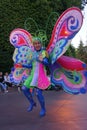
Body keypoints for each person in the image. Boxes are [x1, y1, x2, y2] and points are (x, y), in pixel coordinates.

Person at [21, 38, 50, 117]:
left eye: (38, 43)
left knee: (38, 93)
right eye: (35, 44)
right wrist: (23, 65)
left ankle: (43, 109)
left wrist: (42, 60)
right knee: (24, 88)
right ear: (33, 45)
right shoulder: (33, 54)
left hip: (40, 75)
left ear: (41, 44)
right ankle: (32, 102)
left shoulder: (44, 52)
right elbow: (31, 65)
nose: (37, 45)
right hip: (32, 75)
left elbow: (47, 63)